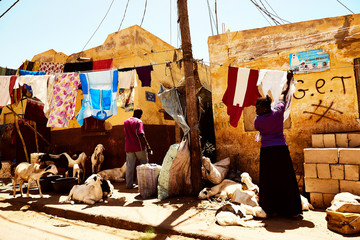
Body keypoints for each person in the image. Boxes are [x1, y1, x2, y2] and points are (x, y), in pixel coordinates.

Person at [254, 71, 303, 219]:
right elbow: (283, 94)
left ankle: (271, 210)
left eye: (257, 108)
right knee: (286, 178)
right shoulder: (279, 112)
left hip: (268, 152)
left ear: (263, 108)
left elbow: (260, 129)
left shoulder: (258, 121)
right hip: (281, 150)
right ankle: (292, 210)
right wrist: (288, 80)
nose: (256, 110)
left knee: (269, 180)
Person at [124, 108, 152, 189]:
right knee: (144, 165)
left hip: (129, 147)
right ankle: (143, 184)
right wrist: (148, 146)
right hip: (139, 147)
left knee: (129, 166)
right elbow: (141, 134)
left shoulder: (126, 122)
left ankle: (129, 185)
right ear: (140, 114)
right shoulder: (139, 122)